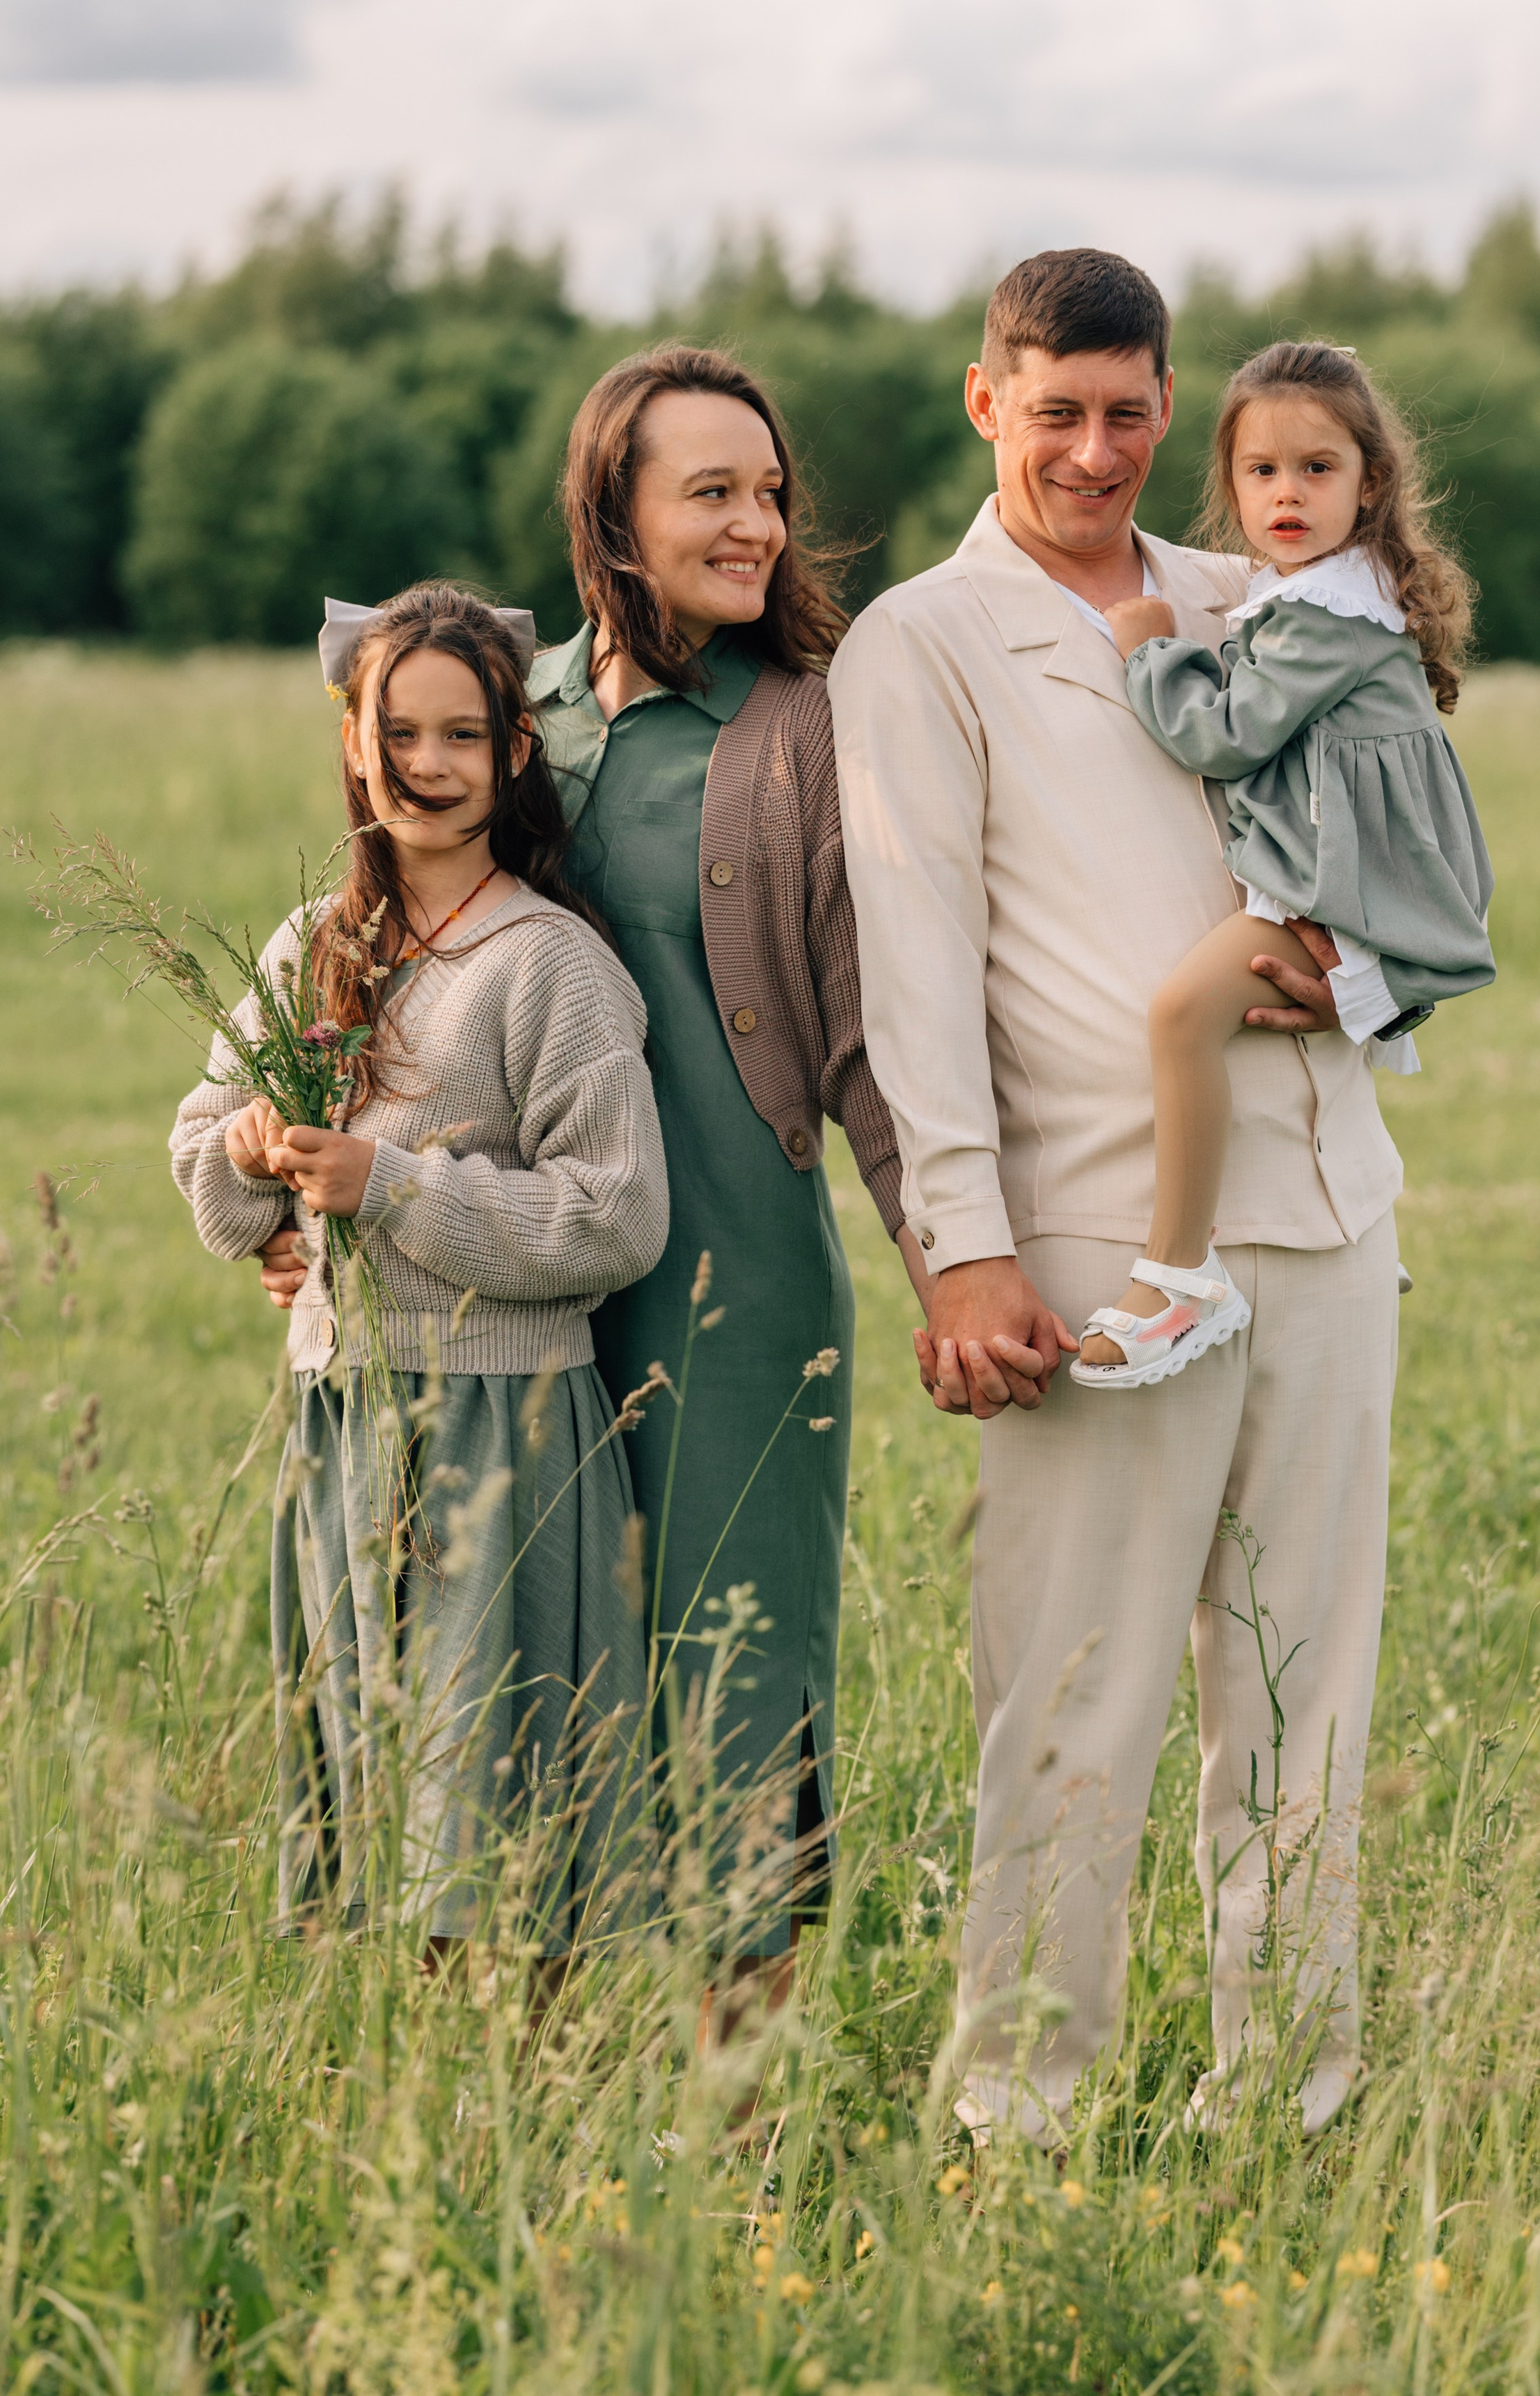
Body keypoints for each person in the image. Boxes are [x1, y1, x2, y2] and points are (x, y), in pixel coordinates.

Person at [828, 249, 1406, 2145]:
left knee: (1302, 1694)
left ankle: (1293, 2105)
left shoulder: (1266, 589)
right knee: (1074, 1697)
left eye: (1127, 411)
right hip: (1093, 1245)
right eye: (1054, 409)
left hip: (1323, 1206)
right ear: (986, 400)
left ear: (1172, 409)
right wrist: (963, 1247)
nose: (1093, 449)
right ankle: (1020, 2108)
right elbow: (913, 963)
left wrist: (1374, 976)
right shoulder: (921, 644)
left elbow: (1404, 838)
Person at [173, 584, 669, 1954]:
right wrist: (260, 1152)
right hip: (343, 1415)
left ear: (515, 752)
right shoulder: (312, 943)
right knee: (370, 1779)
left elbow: (614, 1214)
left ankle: (508, 2094)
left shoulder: (549, 964)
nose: (430, 764)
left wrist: (391, 1183)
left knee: (489, 1810)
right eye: (400, 731)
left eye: (464, 734)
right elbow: (199, 1142)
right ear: (353, 739)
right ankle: (394, 2072)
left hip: (500, 1428)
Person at [524, 342, 914, 2036]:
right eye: (712, 492)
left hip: (735, 1292)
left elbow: (884, 1028)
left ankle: (733, 2130)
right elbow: (385, 966)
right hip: (512, 1280)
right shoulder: (501, 704)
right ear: (612, 510)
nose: (757, 521)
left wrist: (957, 1260)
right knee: (522, 1657)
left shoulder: (807, 729)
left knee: (734, 1670)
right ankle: (524, 2116)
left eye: (770, 492)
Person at [1074, 339, 1494, 1385]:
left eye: (1318, 469)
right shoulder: (1323, 594)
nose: (1287, 493)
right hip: (1342, 873)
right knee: (1246, 1036)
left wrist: (1146, 651)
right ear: (1231, 484)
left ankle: (1178, 1278)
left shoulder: (1324, 617)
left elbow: (1224, 735)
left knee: (1182, 1019)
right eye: (1261, 472)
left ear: (1372, 483)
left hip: (1341, 891)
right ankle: (1341, 1244)